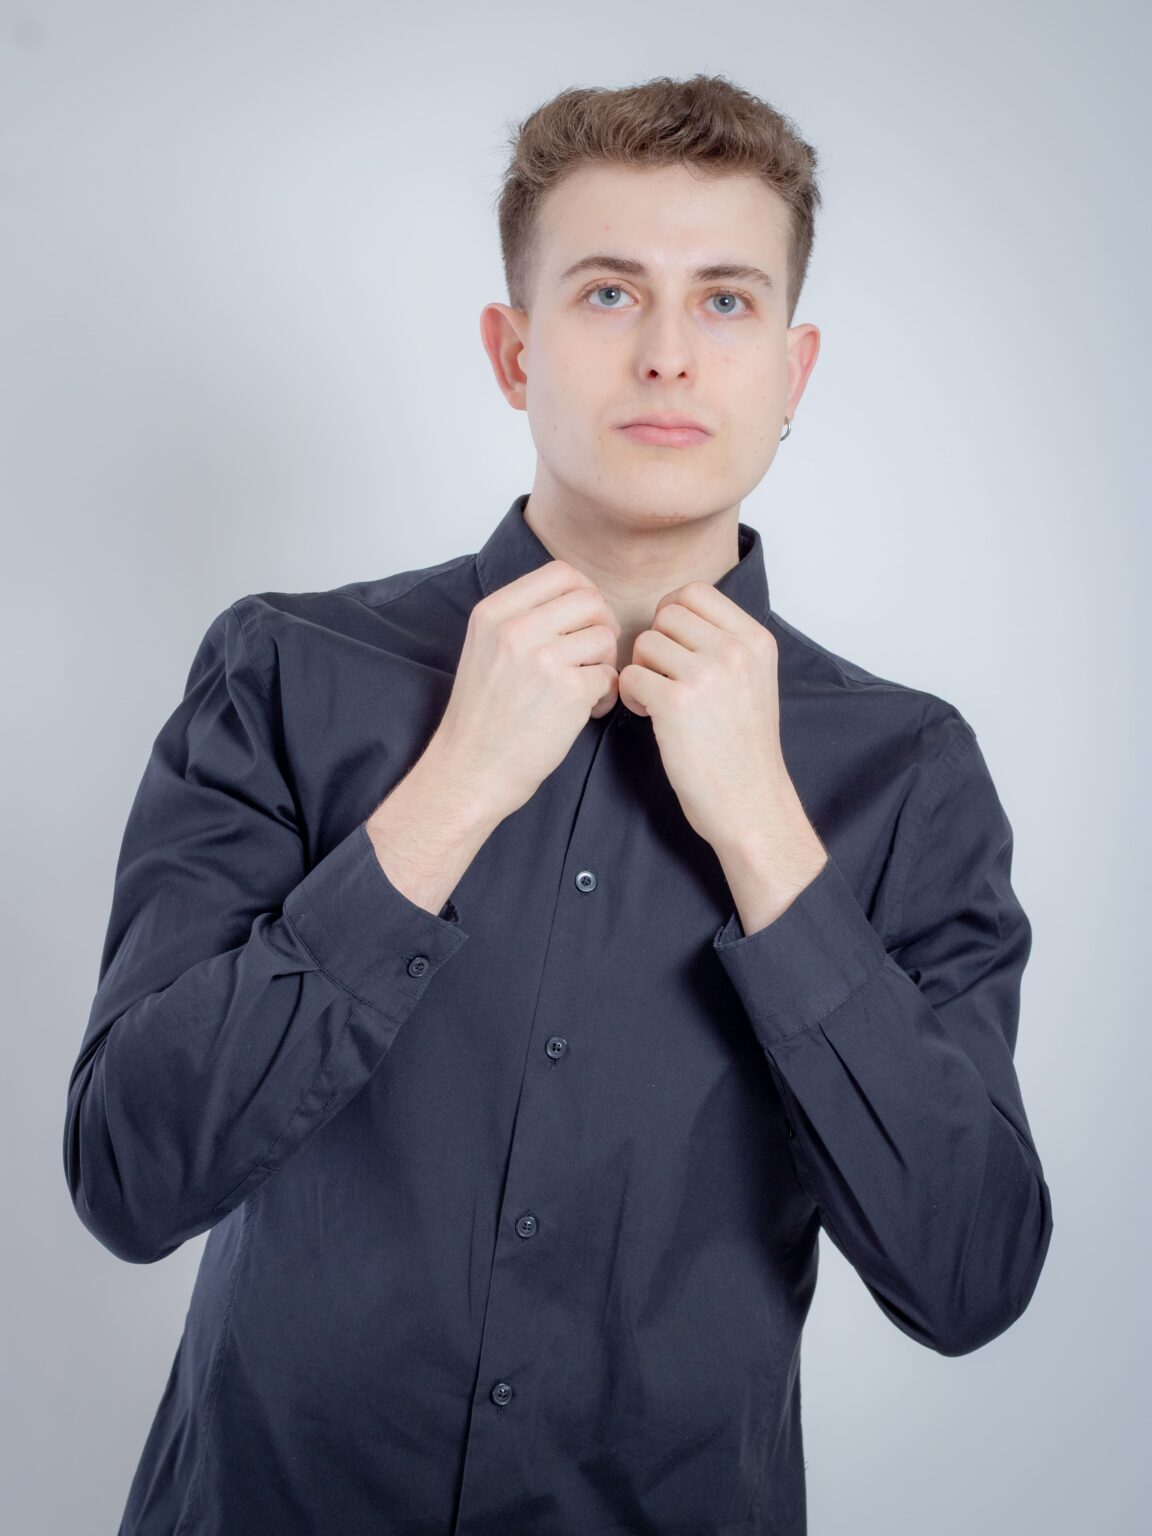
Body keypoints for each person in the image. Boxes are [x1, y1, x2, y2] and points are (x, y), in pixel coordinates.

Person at [63, 73, 1053, 1535]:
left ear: (794, 369)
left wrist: (768, 838)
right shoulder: (283, 671)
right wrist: (454, 788)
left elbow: (968, 1276)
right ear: (514, 350)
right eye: (608, 293)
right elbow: (129, 1176)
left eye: (726, 301)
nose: (667, 354)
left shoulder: (907, 772)